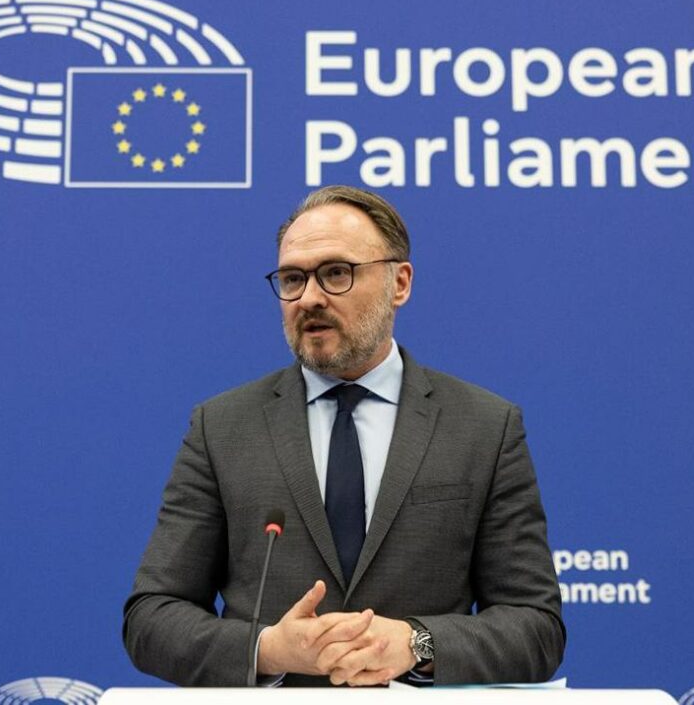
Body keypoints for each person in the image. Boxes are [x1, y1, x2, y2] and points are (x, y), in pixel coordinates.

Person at [123, 186, 564, 687]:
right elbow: (152, 618)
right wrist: (267, 648)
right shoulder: (222, 427)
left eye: (336, 273)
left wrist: (415, 644)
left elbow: (537, 627)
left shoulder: (484, 426)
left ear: (399, 283)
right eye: (292, 279)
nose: (309, 297)